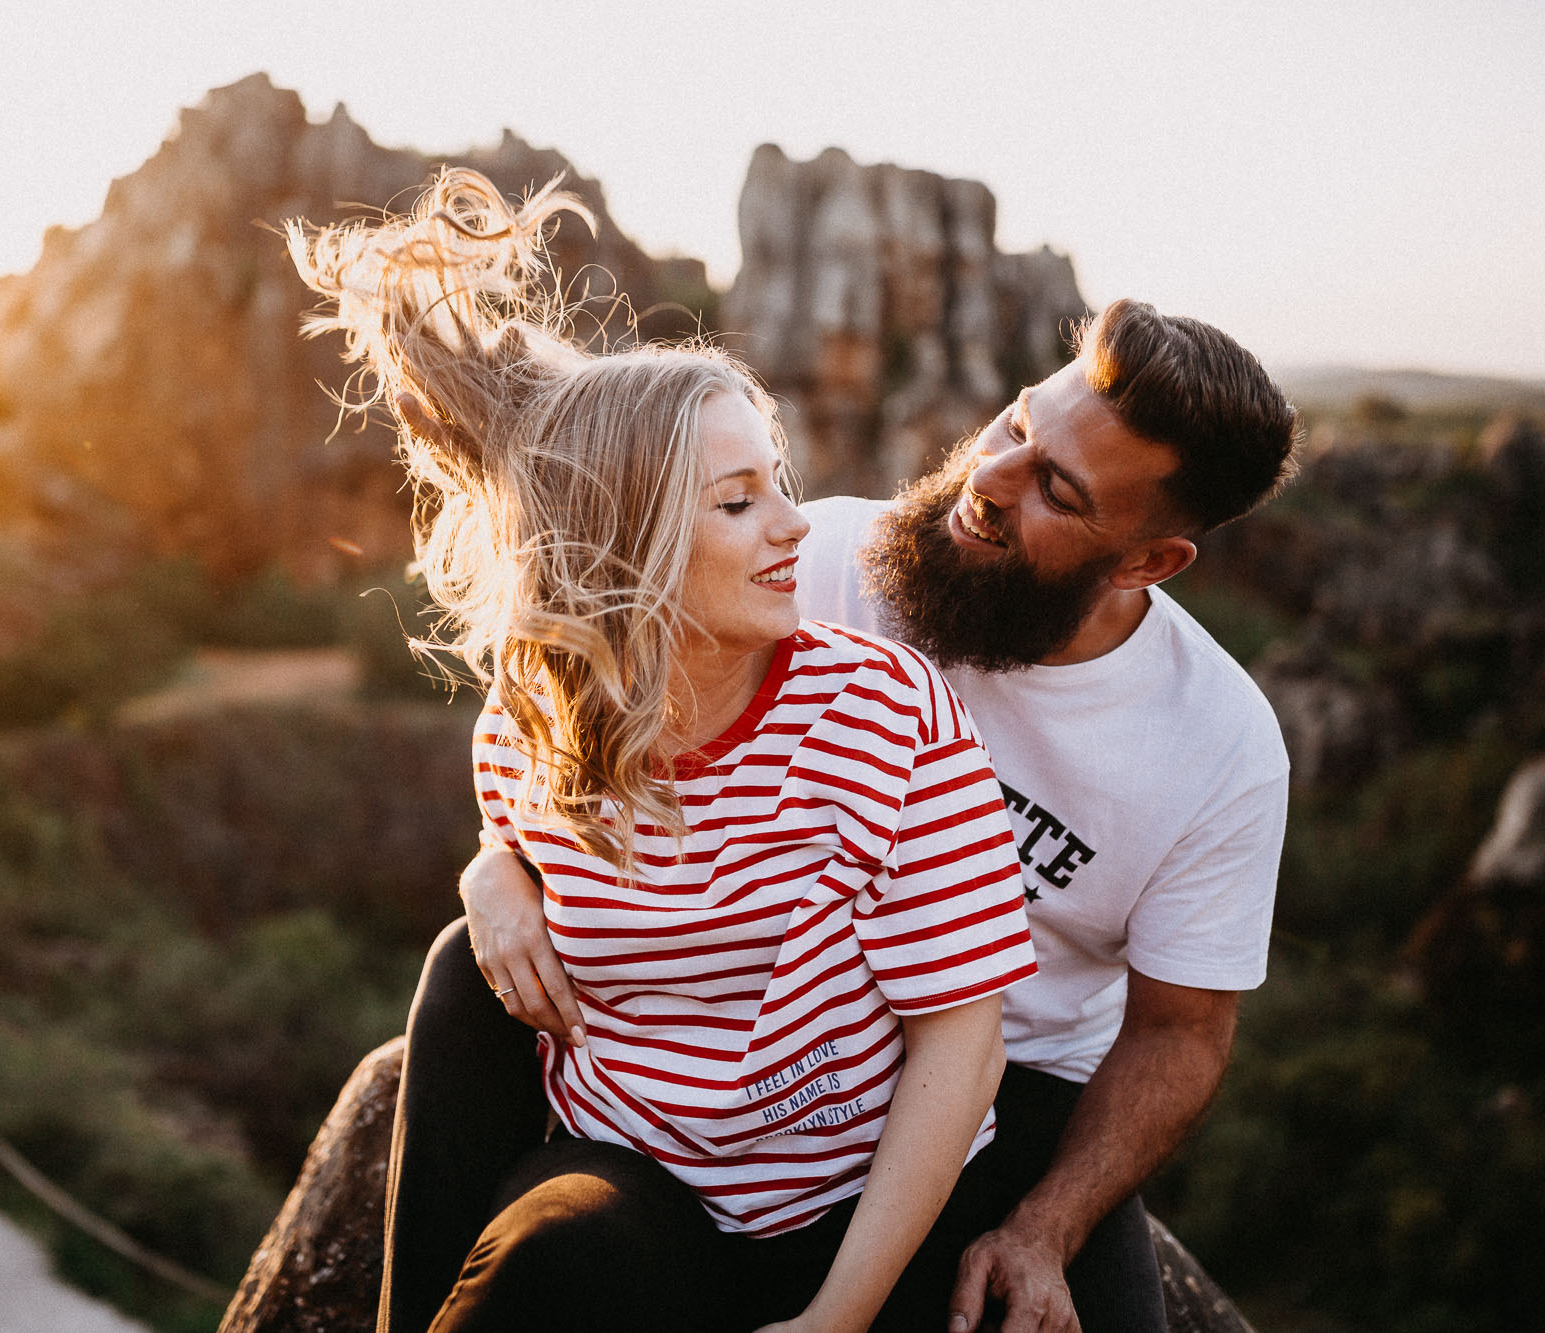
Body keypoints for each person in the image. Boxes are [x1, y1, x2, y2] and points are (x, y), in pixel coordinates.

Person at [457, 297, 1298, 1332]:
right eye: (1016, 424)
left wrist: (1046, 1226)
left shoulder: (1217, 744)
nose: (988, 481)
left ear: (1142, 562)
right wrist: (496, 867)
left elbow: (1179, 1031)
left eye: (1055, 489)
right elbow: (585, 683)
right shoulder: (816, 561)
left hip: (1017, 1082)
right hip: (785, 1022)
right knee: (463, 974)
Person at [291, 169, 1038, 1333]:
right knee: (537, 1263)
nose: (796, 523)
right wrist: (491, 875)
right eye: (738, 503)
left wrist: (835, 1317)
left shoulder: (881, 715)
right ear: (626, 549)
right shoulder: (531, 726)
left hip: (849, 1203)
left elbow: (963, 1034)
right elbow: (519, 835)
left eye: (778, 484)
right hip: (640, 1189)